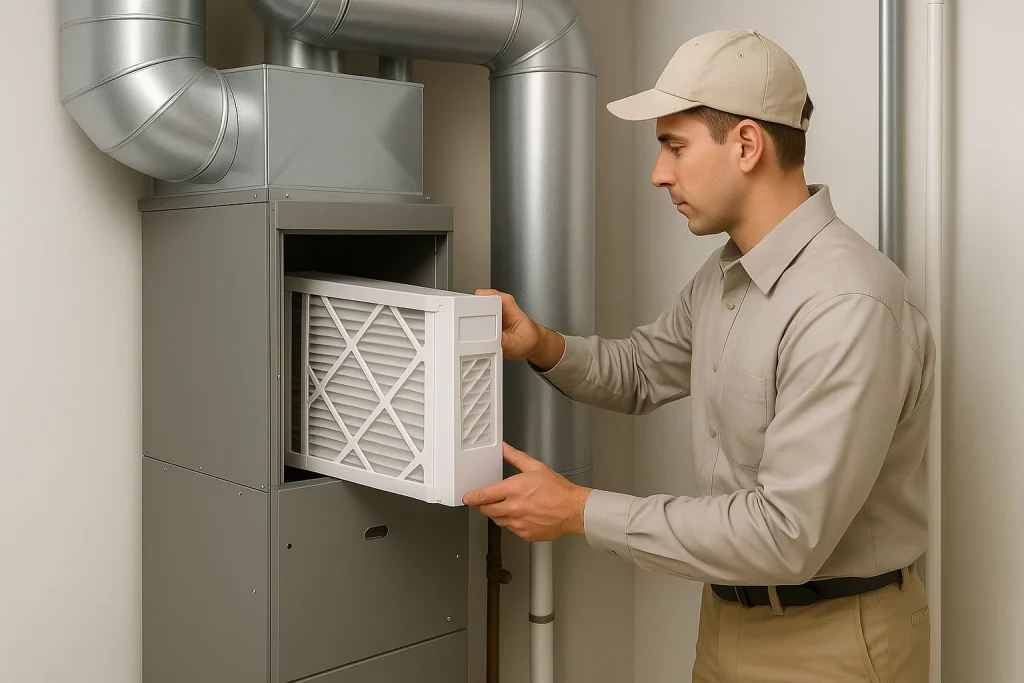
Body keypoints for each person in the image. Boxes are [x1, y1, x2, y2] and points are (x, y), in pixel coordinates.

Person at [462, 28, 934, 682]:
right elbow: (640, 369)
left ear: (746, 143)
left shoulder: (846, 304)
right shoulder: (723, 276)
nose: (659, 174)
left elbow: (783, 532)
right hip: (726, 618)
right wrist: (541, 344)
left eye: (674, 147)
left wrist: (577, 509)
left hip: (833, 642)